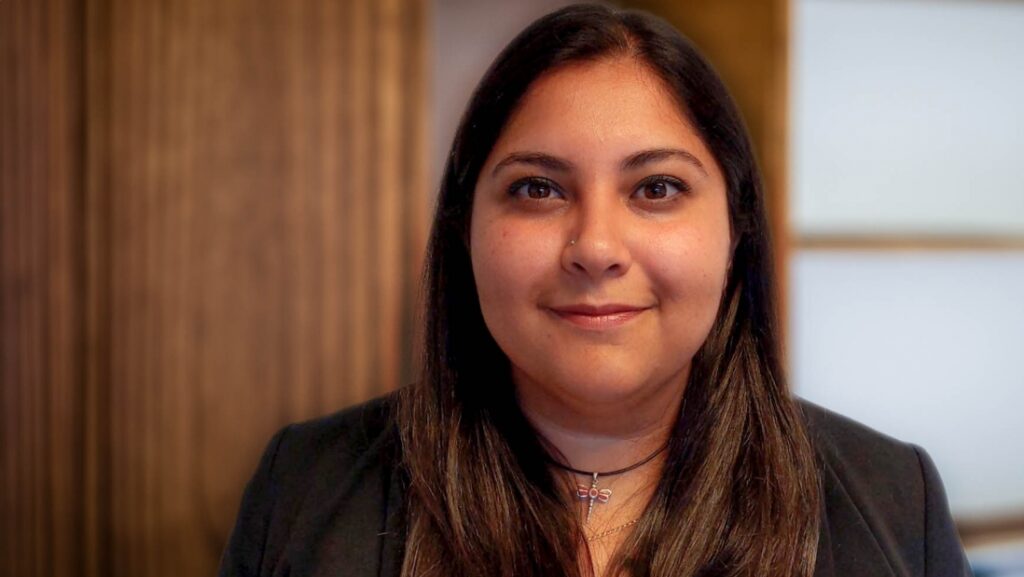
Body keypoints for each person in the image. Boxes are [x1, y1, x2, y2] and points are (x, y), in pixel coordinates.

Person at [218, 4, 973, 576]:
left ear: (736, 227)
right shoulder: (308, 489)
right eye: (538, 188)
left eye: (657, 188)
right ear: (464, 226)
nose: (597, 249)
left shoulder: (890, 502)